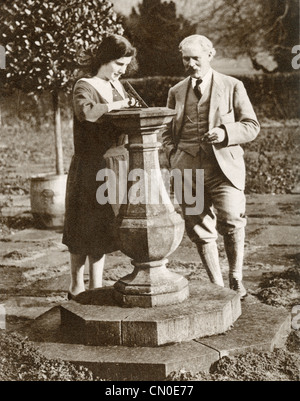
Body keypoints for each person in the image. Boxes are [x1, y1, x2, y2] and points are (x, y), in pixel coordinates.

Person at [162, 35, 260, 298]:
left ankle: (236, 279)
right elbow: (166, 130)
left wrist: (226, 133)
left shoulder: (232, 86)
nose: (191, 63)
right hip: (187, 171)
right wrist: (173, 156)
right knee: (199, 229)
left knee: (232, 221)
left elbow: (251, 125)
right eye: (186, 58)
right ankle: (217, 286)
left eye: (196, 58)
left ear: (210, 55)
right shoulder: (176, 91)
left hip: (223, 170)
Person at [62, 34, 136, 299]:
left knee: (104, 226)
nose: (122, 69)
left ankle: (96, 285)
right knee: (83, 225)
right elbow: (89, 113)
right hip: (91, 165)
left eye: (125, 65)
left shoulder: (117, 86)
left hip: (116, 164)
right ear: (104, 59)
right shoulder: (85, 85)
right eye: (118, 63)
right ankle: (76, 286)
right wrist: (119, 104)